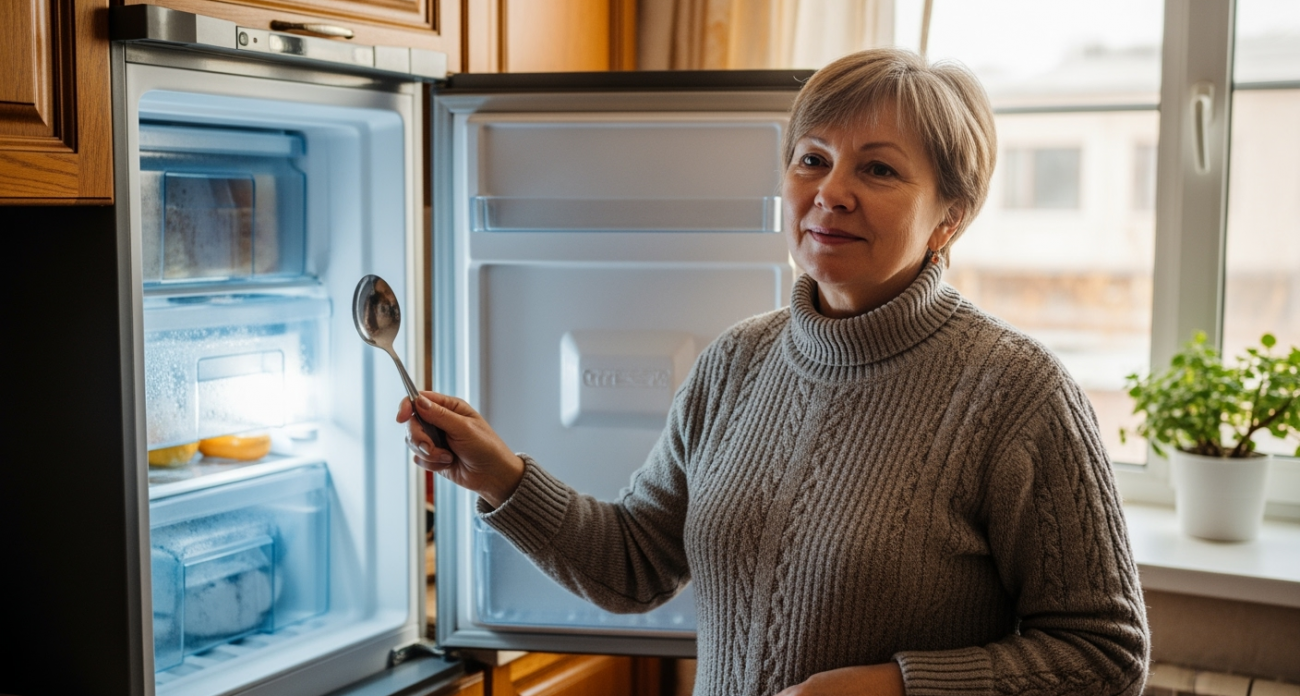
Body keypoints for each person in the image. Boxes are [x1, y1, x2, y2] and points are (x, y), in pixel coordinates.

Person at [398, 48, 1150, 696]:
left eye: (879, 169)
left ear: (949, 217)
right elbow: (636, 565)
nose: (831, 191)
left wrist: (898, 686)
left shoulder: (1019, 393)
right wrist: (499, 474)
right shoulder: (736, 361)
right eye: (812, 158)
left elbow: (1107, 656)